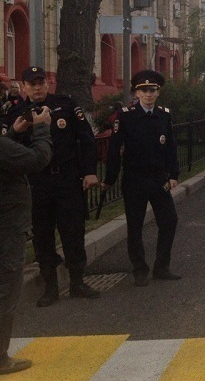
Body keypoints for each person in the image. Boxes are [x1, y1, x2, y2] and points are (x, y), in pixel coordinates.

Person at [5, 66, 100, 306]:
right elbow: (8, 147)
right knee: (42, 235)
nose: (37, 88)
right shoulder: (16, 113)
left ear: (48, 84)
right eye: (32, 84)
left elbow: (86, 138)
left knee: (73, 231)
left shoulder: (65, 105)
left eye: (41, 83)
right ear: (24, 87)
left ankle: (77, 281)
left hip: (66, 179)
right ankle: (50, 286)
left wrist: (89, 171)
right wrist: (15, 130)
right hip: (36, 183)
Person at [101, 70, 181, 287]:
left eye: (152, 90)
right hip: (135, 179)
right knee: (135, 226)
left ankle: (162, 266)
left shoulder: (164, 115)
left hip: (158, 179)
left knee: (169, 220)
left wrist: (174, 174)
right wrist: (109, 178)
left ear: (158, 92)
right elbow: (115, 149)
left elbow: (171, 147)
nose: (148, 94)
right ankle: (139, 269)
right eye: (144, 90)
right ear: (137, 93)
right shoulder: (126, 116)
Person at [0, 105, 52, 374]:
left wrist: (11, 133)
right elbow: (37, 159)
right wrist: (42, 128)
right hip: (7, 227)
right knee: (7, 289)